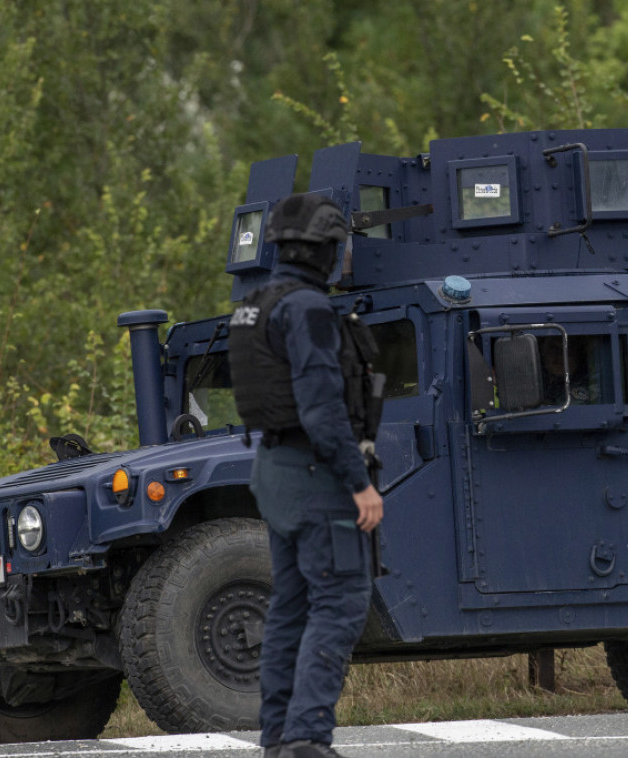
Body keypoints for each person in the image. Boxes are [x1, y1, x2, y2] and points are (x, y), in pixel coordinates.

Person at [228, 194, 384, 758]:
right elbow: (322, 411)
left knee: (291, 608)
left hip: (274, 475)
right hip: (318, 476)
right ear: (322, 250)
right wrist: (360, 483)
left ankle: (278, 739)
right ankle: (307, 737)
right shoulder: (309, 309)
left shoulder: (254, 305)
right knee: (341, 599)